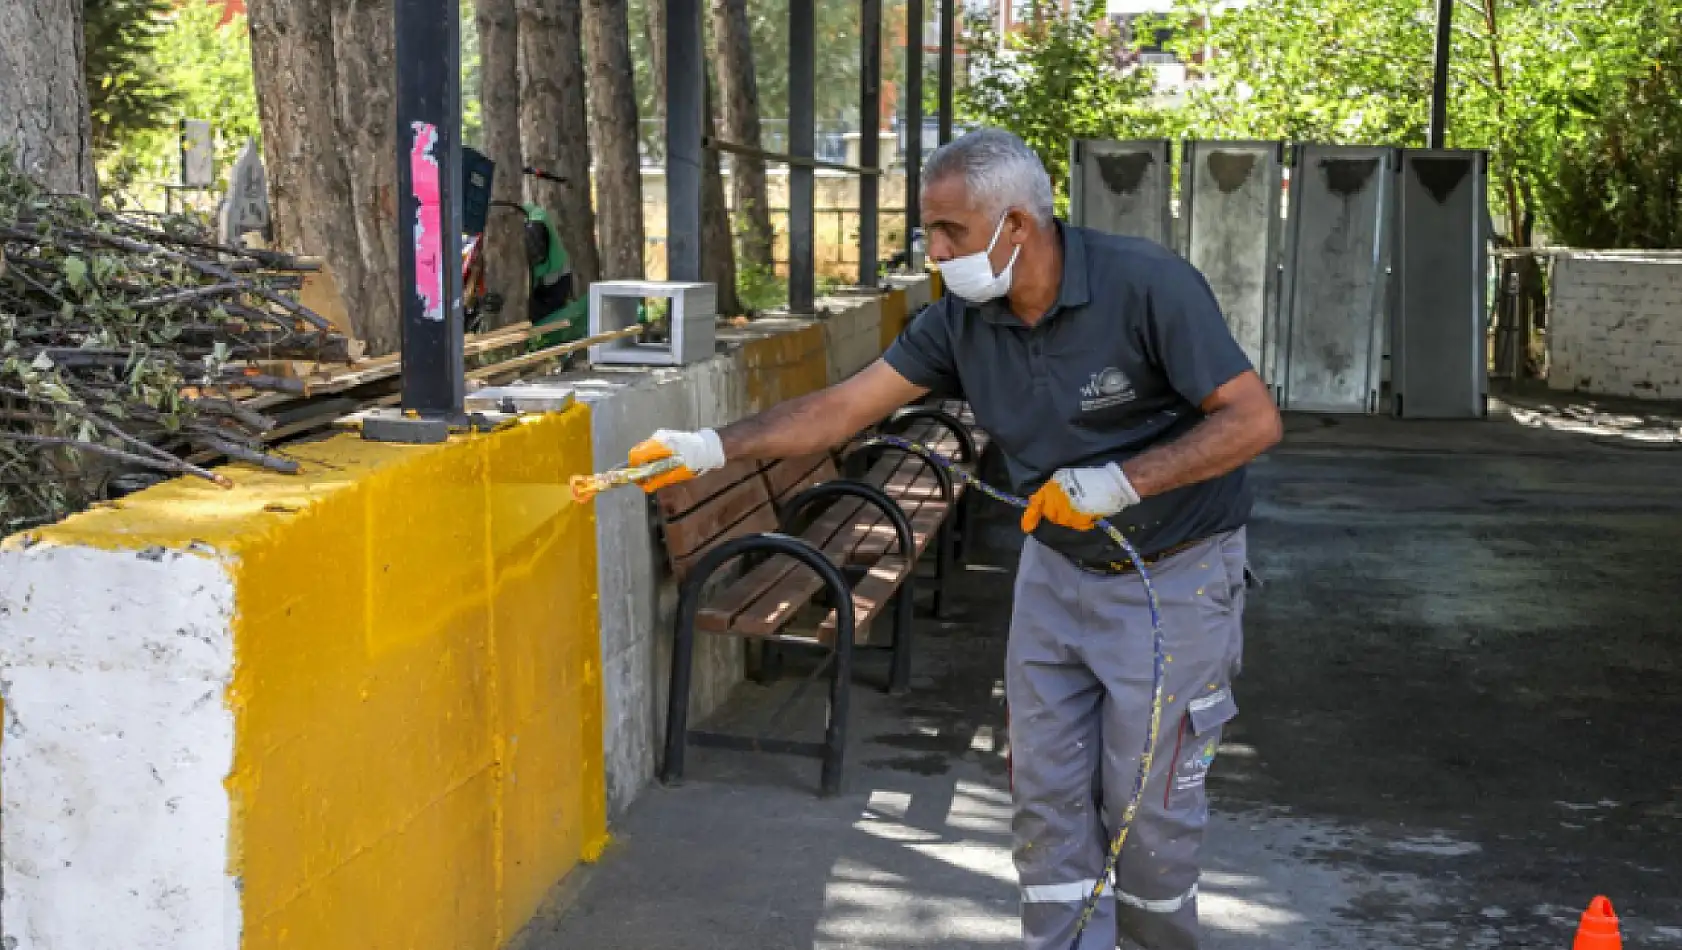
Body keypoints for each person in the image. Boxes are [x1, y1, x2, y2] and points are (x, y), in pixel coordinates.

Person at [624, 127, 1282, 950]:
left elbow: (1254, 421)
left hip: (1176, 577)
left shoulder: (1146, 286)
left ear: (1016, 225)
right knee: (1044, 802)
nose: (935, 254)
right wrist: (715, 445)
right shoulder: (961, 321)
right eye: (928, 232)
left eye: (950, 233)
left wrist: (1123, 480)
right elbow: (842, 408)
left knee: (1147, 814)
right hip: (1056, 576)